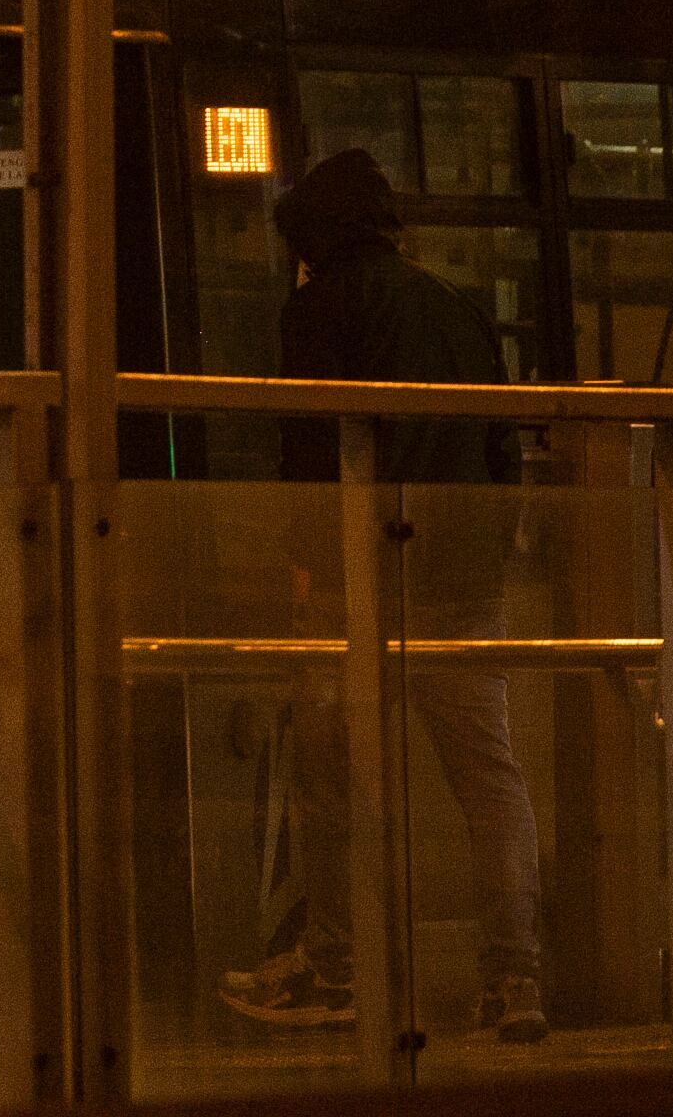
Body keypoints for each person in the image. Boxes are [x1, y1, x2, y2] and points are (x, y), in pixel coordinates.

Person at [220, 148, 546, 1044]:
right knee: (490, 781)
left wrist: (306, 573)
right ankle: (514, 981)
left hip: (356, 583)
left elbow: (309, 453)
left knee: (339, 786)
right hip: (465, 582)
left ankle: (338, 971)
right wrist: (490, 558)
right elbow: (502, 450)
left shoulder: (318, 306)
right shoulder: (457, 308)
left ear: (312, 242)